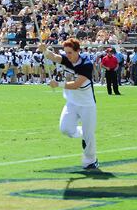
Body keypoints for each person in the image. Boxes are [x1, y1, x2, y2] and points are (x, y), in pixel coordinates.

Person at [38, 38, 99, 170]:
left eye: (70, 52)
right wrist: (44, 50)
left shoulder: (86, 65)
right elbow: (53, 56)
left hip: (87, 104)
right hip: (72, 102)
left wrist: (58, 84)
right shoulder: (66, 58)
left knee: (90, 136)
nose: (68, 55)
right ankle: (82, 133)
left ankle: (90, 161)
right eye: (66, 52)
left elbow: (77, 85)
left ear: (78, 51)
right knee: (65, 129)